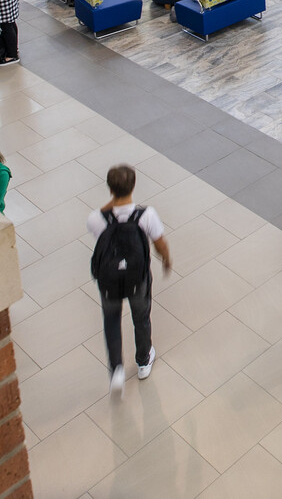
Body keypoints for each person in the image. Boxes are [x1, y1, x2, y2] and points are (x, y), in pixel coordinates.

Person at [89, 164, 172, 392]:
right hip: (138, 279)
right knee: (141, 318)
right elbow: (160, 243)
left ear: (109, 188)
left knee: (112, 321)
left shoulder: (96, 218)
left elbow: (101, 223)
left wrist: (112, 201)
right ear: (134, 186)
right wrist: (166, 259)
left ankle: (116, 369)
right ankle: (143, 361)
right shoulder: (147, 214)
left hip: (109, 281)